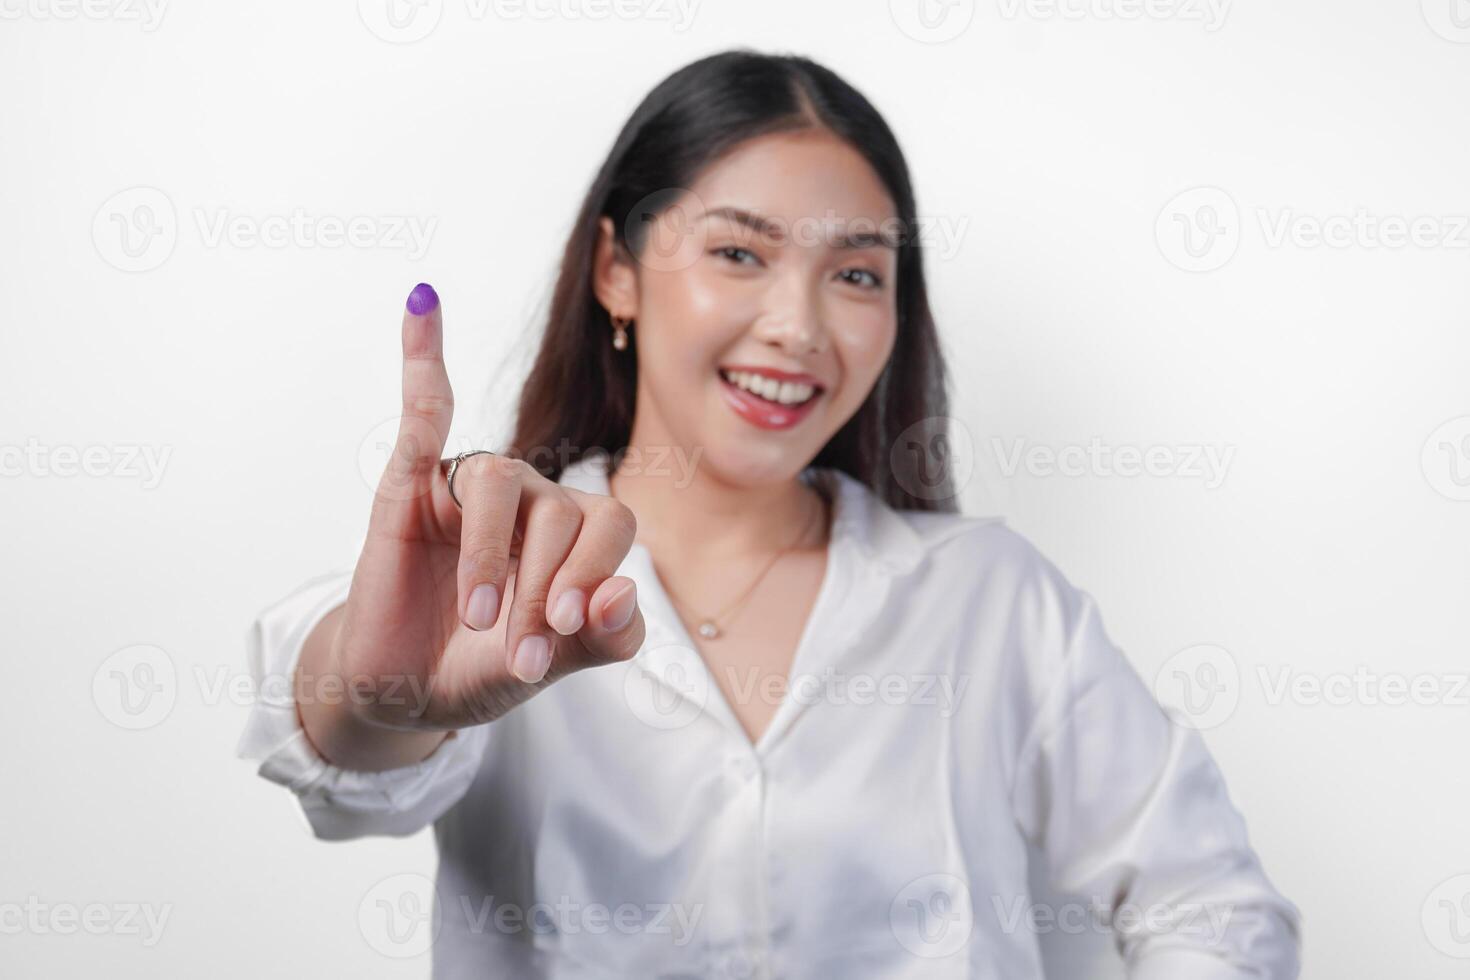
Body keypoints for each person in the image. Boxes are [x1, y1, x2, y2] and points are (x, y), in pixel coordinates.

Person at [237, 49, 1302, 979]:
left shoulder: (989, 595)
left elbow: (1211, 903)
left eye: (854, 272)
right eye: (739, 252)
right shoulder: (502, 571)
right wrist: (381, 696)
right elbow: (348, 756)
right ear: (618, 271)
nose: (797, 326)